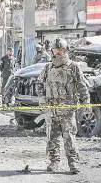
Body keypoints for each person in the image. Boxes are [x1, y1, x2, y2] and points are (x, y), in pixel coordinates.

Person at [37, 38, 90, 174]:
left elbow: (82, 87)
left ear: (65, 51)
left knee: (69, 138)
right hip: (51, 110)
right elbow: (39, 84)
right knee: (52, 138)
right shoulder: (48, 67)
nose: (58, 53)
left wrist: (86, 104)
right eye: (56, 50)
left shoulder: (73, 67)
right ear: (52, 51)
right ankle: (54, 162)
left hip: (67, 111)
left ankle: (73, 163)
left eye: (61, 50)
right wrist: (42, 99)